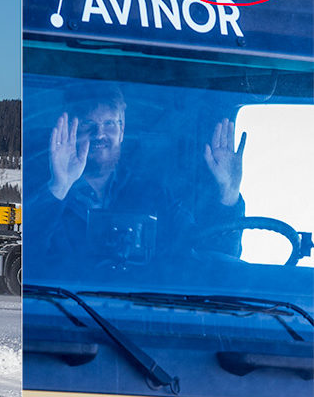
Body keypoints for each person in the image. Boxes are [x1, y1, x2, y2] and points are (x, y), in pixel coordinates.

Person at [28, 82, 245, 269]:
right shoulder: (40, 193)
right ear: (71, 130)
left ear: (122, 131)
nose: (100, 134)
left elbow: (211, 259)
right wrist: (58, 189)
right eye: (88, 124)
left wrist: (228, 194)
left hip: (140, 313)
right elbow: (24, 259)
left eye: (109, 123)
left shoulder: (155, 195)